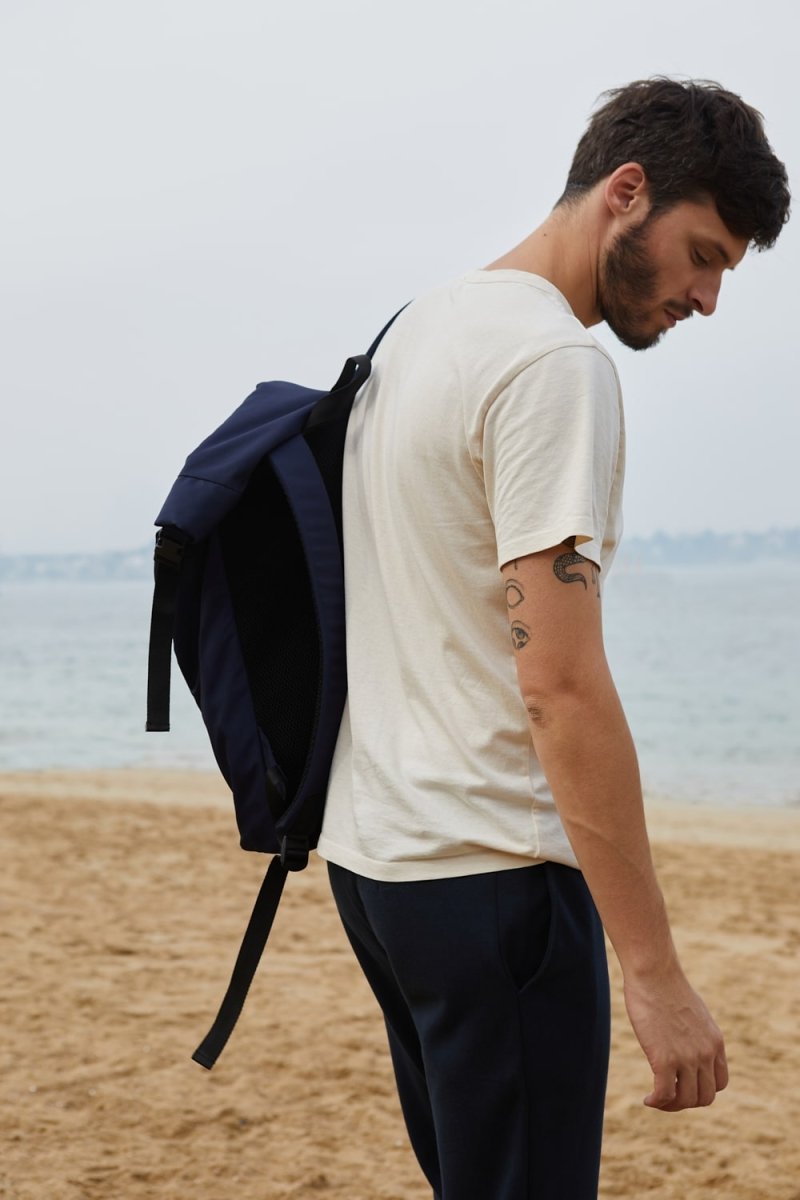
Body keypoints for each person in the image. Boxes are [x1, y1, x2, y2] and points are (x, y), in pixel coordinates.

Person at [315, 78, 790, 1199]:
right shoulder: (551, 366)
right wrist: (654, 971)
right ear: (625, 193)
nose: (707, 298)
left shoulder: (420, 328)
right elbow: (560, 688)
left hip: (381, 869)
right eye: (703, 255)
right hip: (496, 878)